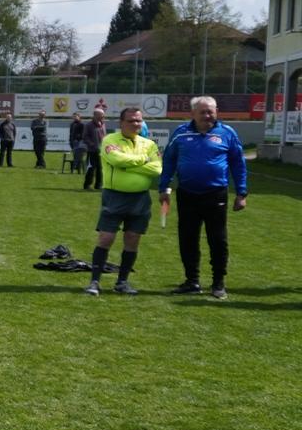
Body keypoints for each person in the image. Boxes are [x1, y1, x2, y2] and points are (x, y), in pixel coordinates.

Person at [159, 96, 247, 299]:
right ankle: (192, 281)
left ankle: (218, 283)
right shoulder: (181, 132)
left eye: (211, 112)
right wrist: (164, 186)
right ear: (193, 113)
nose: (208, 115)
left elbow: (238, 164)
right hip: (187, 194)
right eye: (203, 112)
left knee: (218, 239)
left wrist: (241, 193)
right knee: (187, 239)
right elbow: (169, 160)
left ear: (216, 112)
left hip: (215, 194)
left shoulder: (227, 133)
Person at [85, 107, 161, 296]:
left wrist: (129, 166)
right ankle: (94, 282)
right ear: (121, 123)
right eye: (131, 120)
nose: (136, 124)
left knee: (132, 239)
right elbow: (117, 160)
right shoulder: (110, 140)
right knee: (106, 238)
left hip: (141, 198)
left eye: (138, 121)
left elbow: (157, 169)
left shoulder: (149, 144)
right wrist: (143, 160)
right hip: (114, 196)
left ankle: (122, 282)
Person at [82, 108, 106, 190]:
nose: (103, 116)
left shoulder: (103, 124)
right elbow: (85, 137)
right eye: (101, 114)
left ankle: (98, 185)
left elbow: (104, 136)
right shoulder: (89, 125)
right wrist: (92, 144)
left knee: (101, 168)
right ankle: (87, 185)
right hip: (92, 151)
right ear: (96, 115)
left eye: (103, 114)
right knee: (91, 168)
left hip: (101, 151)